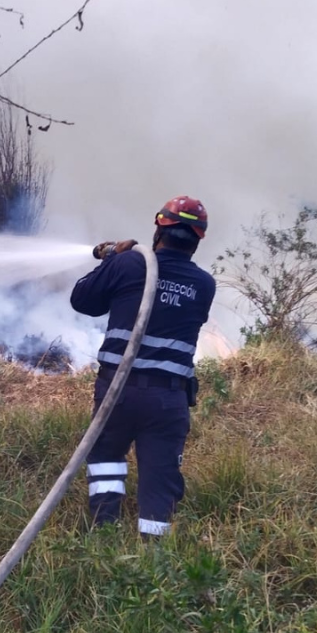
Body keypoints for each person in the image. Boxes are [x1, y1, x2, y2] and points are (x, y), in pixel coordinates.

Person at [70, 196, 217, 538]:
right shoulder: (204, 285)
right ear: (197, 239)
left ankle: (104, 533)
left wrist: (112, 261)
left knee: (107, 459)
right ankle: (154, 556)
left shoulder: (128, 265)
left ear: (158, 229)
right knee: (160, 476)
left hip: (116, 393)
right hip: (168, 400)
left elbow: (82, 300)